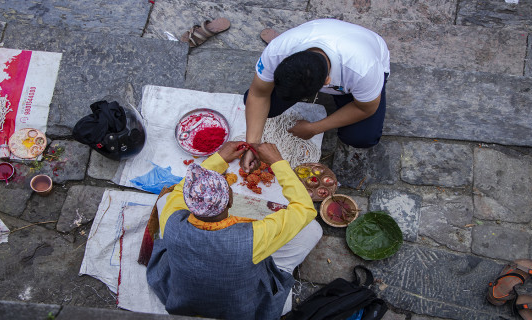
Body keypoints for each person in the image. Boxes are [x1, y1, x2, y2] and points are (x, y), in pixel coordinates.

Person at [146, 141, 323, 319]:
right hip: (239, 308)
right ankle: (279, 278)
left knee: (166, 199)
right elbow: (305, 208)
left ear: (189, 203)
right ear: (231, 201)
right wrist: (277, 162)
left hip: (181, 300)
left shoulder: (172, 219)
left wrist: (220, 158)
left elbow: (178, 191)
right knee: (313, 229)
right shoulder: (254, 236)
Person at [241, 19, 390, 173]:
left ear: (327, 82)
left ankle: (345, 95)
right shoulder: (277, 51)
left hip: (364, 61)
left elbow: (366, 108)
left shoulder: (363, 70)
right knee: (255, 103)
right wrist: (252, 145)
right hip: (321, 39)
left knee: (362, 137)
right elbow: (258, 95)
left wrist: (314, 128)